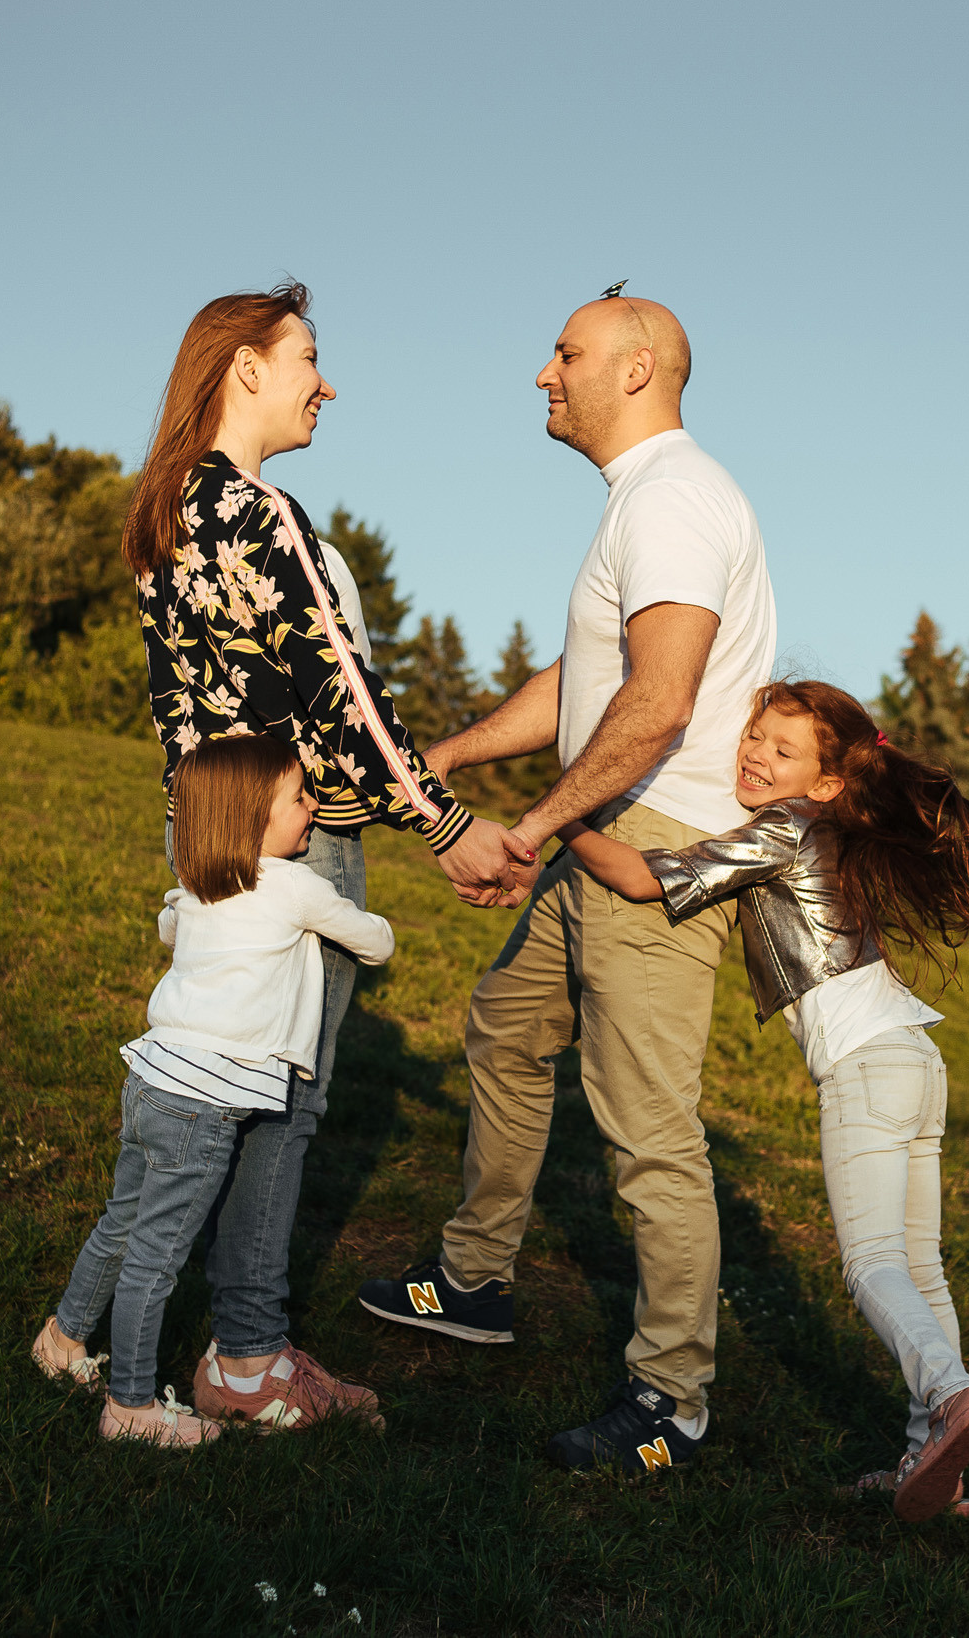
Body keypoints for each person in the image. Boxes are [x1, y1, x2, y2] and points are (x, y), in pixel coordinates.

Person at [355, 289, 777, 1474]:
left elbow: (660, 701)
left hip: (651, 845)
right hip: (605, 823)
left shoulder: (676, 496)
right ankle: (475, 1277)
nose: (544, 373)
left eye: (566, 352)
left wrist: (535, 825)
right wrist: (451, 753)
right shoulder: (641, 499)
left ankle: (670, 1402)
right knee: (505, 1023)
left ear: (636, 369)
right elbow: (587, 679)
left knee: (647, 1132)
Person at [107, 283, 533, 1424]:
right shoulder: (258, 511)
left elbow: (183, 705)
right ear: (244, 366)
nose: (325, 383)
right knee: (283, 1095)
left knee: (218, 1070)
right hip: (295, 839)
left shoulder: (161, 512)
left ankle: (161, 1321)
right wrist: (446, 822)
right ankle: (247, 1354)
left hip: (203, 833)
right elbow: (341, 694)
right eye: (307, 356)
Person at [561, 680, 969, 1518]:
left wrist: (563, 820)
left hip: (867, 1068)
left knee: (872, 1265)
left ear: (828, 782)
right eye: (756, 734)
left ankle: (952, 1399)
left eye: (782, 749)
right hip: (917, 1060)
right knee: (921, 1268)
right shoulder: (830, 829)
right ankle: (932, 1463)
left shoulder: (783, 828)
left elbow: (644, 879)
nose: (756, 753)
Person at [32, 736, 396, 1446]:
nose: (313, 807)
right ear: (257, 815)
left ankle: (63, 1339)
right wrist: (348, 917)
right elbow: (375, 942)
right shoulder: (295, 887)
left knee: (121, 1222)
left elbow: (170, 927)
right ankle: (130, 1408)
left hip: (151, 1079)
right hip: (206, 1103)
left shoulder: (198, 883)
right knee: (157, 1258)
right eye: (299, 797)